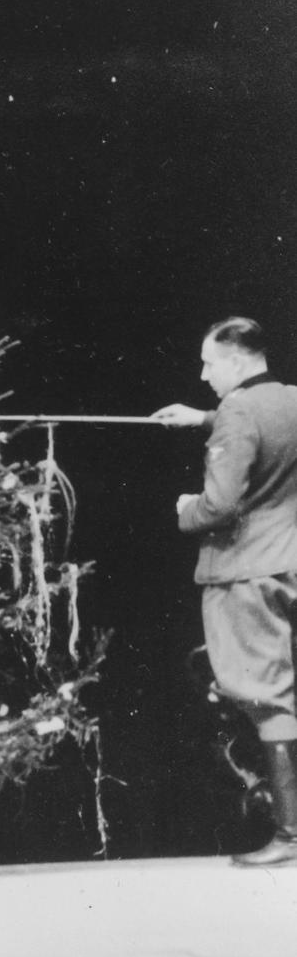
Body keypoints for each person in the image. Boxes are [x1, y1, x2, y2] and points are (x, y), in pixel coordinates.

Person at [153, 316, 297, 866]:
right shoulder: (285, 397)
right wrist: (204, 419)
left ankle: (288, 835)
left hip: (246, 570)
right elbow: (263, 423)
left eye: (210, 362)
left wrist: (186, 508)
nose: (203, 371)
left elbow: (219, 506)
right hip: (287, 564)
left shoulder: (238, 412)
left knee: (262, 695)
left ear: (237, 361)